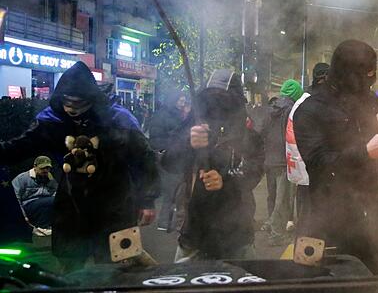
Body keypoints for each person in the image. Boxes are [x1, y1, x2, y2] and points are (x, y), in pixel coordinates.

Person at [0, 62, 159, 271]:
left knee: (121, 270)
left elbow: (144, 158)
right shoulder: (53, 121)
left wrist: (147, 199)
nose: (72, 109)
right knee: (70, 270)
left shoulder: (117, 120)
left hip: (116, 205)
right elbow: (21, 146)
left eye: (79, 103)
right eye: (68, 102)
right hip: (72, 207)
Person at [293, 40, 378, 274]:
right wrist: (365, 152)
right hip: (329, 222)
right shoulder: (311, 108)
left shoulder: (376, 104)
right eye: (364, 74)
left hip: (376, 222)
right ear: (346, 72)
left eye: (373, 73)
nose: (370, 80)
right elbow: (317, 163)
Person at [162, 69, 265, 262]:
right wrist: (188, 143)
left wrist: (225, 180)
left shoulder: (249, 136)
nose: (217, 107)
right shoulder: (192, 127)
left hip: (238, 231)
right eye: (211, 100)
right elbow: (167, 161)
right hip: (194, 230)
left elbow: (254, 171)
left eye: (224, 101)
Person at [263, 79, 303, 246]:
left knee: (273, 196)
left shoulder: (270, 108)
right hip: (283, 159)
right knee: (283, 198)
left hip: (269, 159)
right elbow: (292, 135)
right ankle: (276, 234)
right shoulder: (291, 110)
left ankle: (270, 223)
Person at [149, 91, 193, 232]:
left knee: (176, 193)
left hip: (175, 158)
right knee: (171, 193)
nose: (182, 104)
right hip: (169, 159)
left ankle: (170, 223)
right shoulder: (167, 116)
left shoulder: (171, 114)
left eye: (183, 101)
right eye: (180, 101)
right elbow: (158, 138)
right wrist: (171, 146)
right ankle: (165, 223)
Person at [12, 156, 58, 232]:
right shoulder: (22, 178)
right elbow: (16, 199)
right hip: (27, 206)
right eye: (42, 168)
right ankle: (43, 227)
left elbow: (55, 192)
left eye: (48, 168)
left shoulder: (50, 178)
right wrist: (24, 216)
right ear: (35, 167)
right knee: (49, 201)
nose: (46, 170)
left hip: (43, 204)